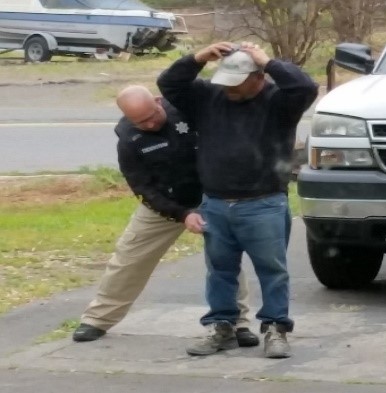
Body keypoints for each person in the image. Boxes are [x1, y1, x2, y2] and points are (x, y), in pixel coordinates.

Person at [157, 41, 319, 358]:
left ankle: (275, 329)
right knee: (219, 271)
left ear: (258, 78)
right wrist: (198, 57)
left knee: (272, 272)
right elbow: (169, 83)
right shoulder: (208, 96)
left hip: (263, 202)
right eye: (225, 81)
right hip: (216, 203)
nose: (228, 88)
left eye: (237, 82)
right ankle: (222, 327)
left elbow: (306, 87)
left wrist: (268, 61)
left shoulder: (280, 102)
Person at [72, 85, 259, 347]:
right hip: (165, 204)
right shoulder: (128, 138)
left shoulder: (187, 109)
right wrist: (182, 214)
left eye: (152, 115)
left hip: (211, 198)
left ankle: (237, 323)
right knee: (128, 257)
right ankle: (97, 319)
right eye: (141, 122)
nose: (149, 124)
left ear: (159, 101)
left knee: (224, 261)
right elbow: (142, 187)